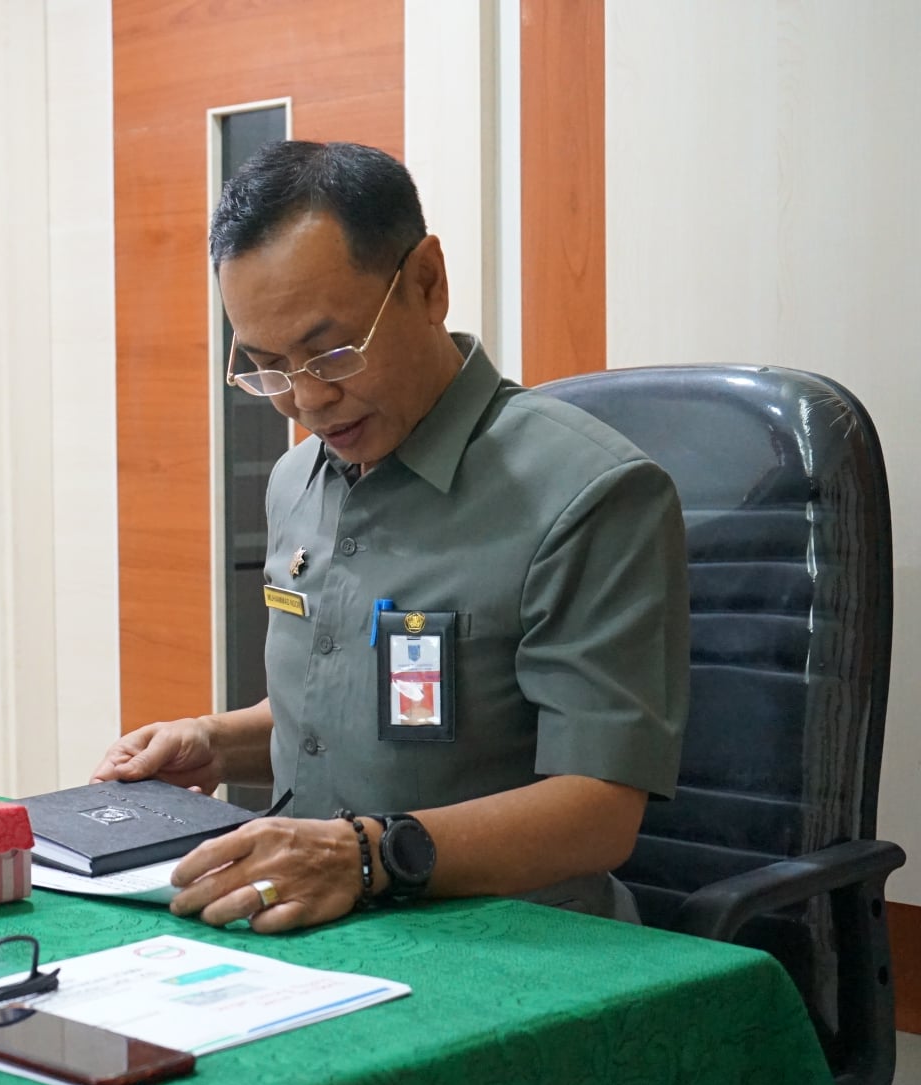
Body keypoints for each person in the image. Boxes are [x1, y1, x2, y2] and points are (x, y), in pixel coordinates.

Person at [92, 141, 688, 933]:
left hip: (510, 941)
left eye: (331, 352)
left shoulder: (588, 494)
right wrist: (212, 740)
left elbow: (600, 810)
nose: (305, 399)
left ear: (427, 284)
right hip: (312, 917)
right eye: (268, 368)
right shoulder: (296, 483)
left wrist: (363, 857)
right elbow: (360, 704)